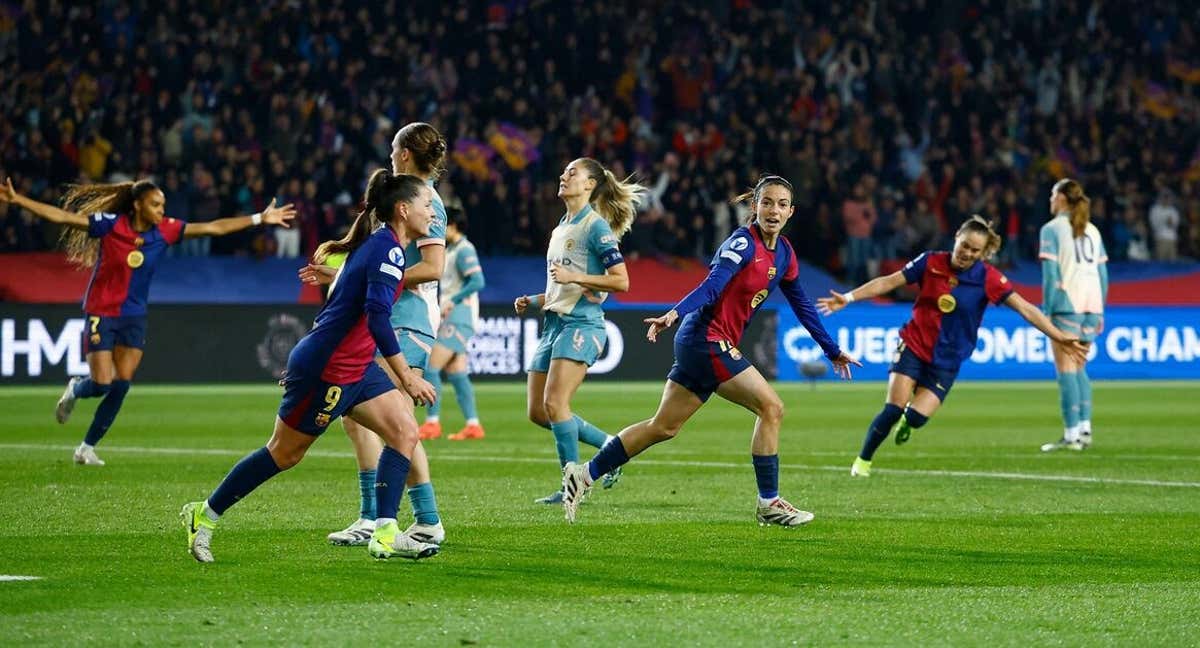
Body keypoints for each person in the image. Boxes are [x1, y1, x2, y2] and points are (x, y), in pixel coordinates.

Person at [559, 175, 861, 525]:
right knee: (771, 408)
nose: (773, 210)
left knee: (663, 427)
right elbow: (712, 285)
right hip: (705, 339)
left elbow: (803, 306)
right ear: (754, 206)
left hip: (705, 343)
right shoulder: (742, 244)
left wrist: (832, 349)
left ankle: (583, 475)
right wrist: (674, 313)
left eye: (781, 204)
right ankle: (770, 502)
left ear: (791, 212)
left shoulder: (785, 254)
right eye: (766, 202)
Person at [180, 170, 440, 563]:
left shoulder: (383, 247)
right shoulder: (386, 250)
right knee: (284, 454)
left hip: (356, 368)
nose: (432, 214)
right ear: (403, 210)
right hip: (329, 369)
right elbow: (376, 317)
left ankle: (385, 532)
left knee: (404, 431)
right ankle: (205, 513)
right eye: (426, 205)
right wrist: (405, 376)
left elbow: (354, 294)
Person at [0, 177, 295, 466]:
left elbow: (213, 228)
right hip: (101, 311)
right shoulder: (111, 224)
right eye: (155, 205)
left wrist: (259, 218)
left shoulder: (165, 231)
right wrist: (18, 200)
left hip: (134, 315)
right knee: (102, 383)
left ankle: (86, 448)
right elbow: (63, 217)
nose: (161, 211)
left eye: (163, 205)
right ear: (138, 205)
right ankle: (77, 389)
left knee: (122, 384)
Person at [817, 216, 1088, 477]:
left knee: (916, 418)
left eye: (975, 250)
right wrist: (849, 297)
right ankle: (863, 461)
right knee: (893, 408)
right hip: (914, 344)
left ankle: (909, 422)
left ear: (983, 253)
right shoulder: (931, 261)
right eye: (965, 246)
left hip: (948, 359)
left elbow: (1026, 309)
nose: (967, 253)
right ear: (956, 238)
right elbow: (889, 281)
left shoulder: (989, 278)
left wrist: (1059, 336)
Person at [304, 123, 451, 548]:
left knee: (397, 424)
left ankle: (424, 520)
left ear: (405, 152)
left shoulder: (427, 202)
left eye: (393, 148)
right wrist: (343, 273)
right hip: (388, 316)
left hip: (408, 320)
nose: (389, 154)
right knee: (357, 418)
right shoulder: (400, 194)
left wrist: (386, 278)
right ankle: (372, 517)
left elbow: (433, 268)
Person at [514, 158, 644, 504]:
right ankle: (609, 447)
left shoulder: (595, 227)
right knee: (538, 412)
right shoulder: (561, 227)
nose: (563, 176)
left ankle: (573, 484)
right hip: (553, 323)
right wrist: (535, 299)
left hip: (582, 324)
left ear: (590, 185)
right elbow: (562, 288)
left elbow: (622, 281)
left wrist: (577, 277)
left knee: (556, 404)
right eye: (564, 172)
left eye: (572, 173)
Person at [1038, 179, 1108, 452]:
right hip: (1092, 305)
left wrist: (1047, 310)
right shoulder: (1092, 230)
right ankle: (1084, 428)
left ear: (1063, 199)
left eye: (1053, 194)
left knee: (1065, 369)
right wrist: (1100, 308)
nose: (1050, 199)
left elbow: (1051, 275)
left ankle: (1071, 434)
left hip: (1066, 305)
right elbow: (1103, 275)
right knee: (1079, 367)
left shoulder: (1051, 229)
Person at [419, 208, 487, 441]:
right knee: (456, 371)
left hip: (460, 317)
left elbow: (478, 280)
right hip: (455, 316)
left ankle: (432, 422)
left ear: (453, 225)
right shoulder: (452, 250)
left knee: (431, 366)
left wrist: (452, 301)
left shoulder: (465, 249)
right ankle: (473, 424)